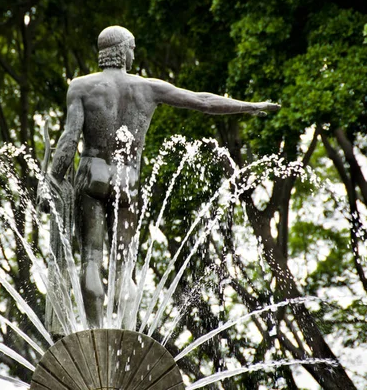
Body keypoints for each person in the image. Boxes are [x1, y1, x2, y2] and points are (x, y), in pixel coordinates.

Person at [46, 25, 280, 329]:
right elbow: (203, 101)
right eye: (132, 47)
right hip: (125, 182)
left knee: (91, 256)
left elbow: (68, 140)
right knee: (123, 265)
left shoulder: (80, 87)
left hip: (92, 177)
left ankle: (94, 331)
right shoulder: (148, 88)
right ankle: (124, 330)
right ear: (122, 50)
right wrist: (250, 106)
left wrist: (52, 179)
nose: (133, 53)